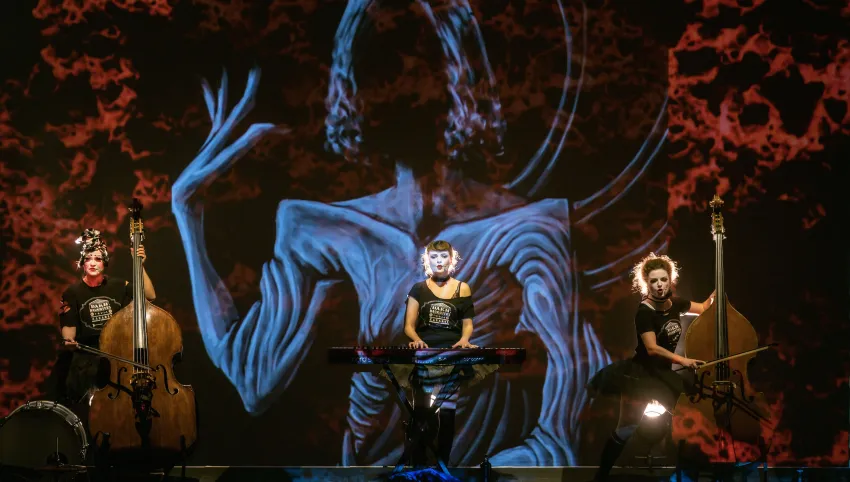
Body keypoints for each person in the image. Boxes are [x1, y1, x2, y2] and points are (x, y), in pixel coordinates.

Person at [586, 252, 714, 481]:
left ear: (670, 280)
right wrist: (684, 361)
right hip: (641, 376)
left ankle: (686, 474)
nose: (660, 285)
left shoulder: (676, 304)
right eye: (654, 281)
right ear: (646, 283)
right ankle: (601, 477)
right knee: (626, 428)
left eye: (663, 279)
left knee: (691, 416)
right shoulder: (644, 312)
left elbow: (704, 308)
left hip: (663, 374)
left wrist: (717, 295)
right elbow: (652, 349)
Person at [55, 229, 156, 406]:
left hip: (118, 356)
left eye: (98, 259)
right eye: (88, 259)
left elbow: (149, 295)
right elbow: (69, 327)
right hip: (88, 359)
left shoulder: (119, 285)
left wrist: (139, 264)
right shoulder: (72, 292)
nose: (93, 263)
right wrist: (69, 339)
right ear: (82, 263)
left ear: (105, 262)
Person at [402, 239, 478, 467]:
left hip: (451, 356)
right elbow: (408, 326)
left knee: (447, 412)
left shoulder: (462, 288)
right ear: (427, 260)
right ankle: (419, 466)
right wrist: (416, 340)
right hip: (425, 356)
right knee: (421, 413)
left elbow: (467, 324)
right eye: (434, 257)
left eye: (443, 256)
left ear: (451, 259)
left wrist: (464, 340)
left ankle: (442, 466)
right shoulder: (418, 289)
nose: (439, 261)